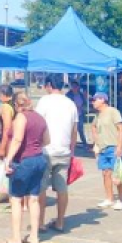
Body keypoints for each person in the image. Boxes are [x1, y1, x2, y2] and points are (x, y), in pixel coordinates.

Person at [2, 92, 49, 243]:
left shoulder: (21, 117)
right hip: (39, 159)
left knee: (16, 199)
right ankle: (34, 236)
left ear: (16, 105)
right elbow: (47, 140)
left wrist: (8, 160)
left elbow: (17, 139)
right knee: (34, 198)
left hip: (24, 161)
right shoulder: (40, 118)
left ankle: (16, 238)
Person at [35, 75, 78, 233]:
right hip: (64, 151)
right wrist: (72, 151)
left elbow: (38, 125)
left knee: (41, 188)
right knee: (62, 189)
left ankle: (40, 222)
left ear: (49, 85)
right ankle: (60, 222)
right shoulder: (71, 103)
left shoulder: (44, 101)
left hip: (46, 150)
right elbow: (74, 131)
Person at [92, 93, 122, 211]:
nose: (93, 102)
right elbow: (93, 127)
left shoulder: (113, 111)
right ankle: (109, 198)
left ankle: (120, 200)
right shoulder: (98, 115)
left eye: (95, 100)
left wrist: (119, 146)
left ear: (102, 100)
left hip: (113, 147)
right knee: (105, 173)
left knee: (117, 175)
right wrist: (96, 142)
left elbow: (121, 129)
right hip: (102, 148)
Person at [0, 85, 16, 160]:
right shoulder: (16, 104)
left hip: (9, 142)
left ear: (3, 95)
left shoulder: (6, 107)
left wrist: (2, 148)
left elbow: (7, 129)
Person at [66, 80, 88, 146]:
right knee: (71, 130)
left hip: (80, 115)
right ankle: (69, 143)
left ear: (78, 87)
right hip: (71, 115)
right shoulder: (68, 95)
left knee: (81, 130)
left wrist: (82, 107)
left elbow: (85, 103)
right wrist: (74, 106)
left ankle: (84, 143)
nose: (74, 88)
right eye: (73, 86)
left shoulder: (81, 94)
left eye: (76, 86)